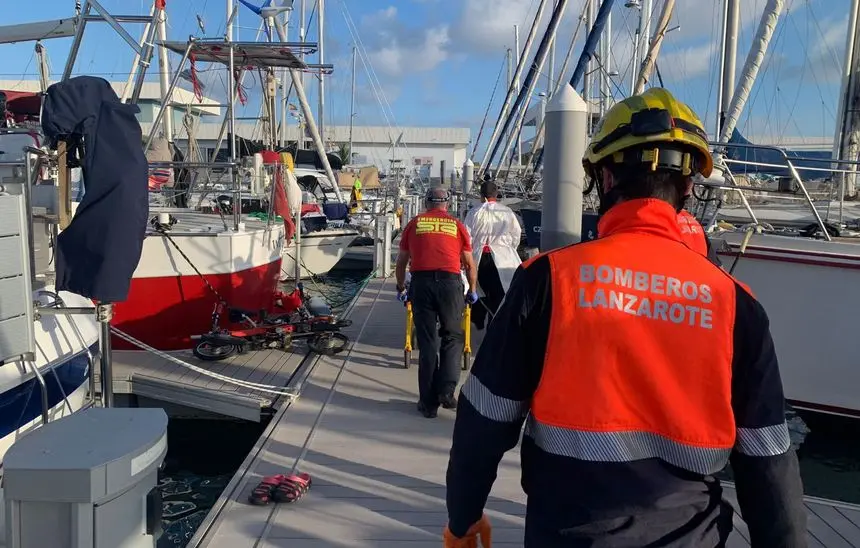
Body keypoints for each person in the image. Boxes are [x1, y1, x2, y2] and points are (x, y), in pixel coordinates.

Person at [443, 88, 806, 547]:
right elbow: (768, 461)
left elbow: (485, 419)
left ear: (606, 177)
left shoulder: (550, 279)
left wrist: (463, 519)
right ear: (690, 186)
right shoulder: (736, 303)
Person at [395, 187, 478, 419]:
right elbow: (470, 264)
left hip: (421, 283)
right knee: (453, 336)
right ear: (447, 204)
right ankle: (447, 391)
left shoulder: (414, 224)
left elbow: (401, 262)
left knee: (428, 342)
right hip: (451, 284)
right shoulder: (457, 226)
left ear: (425, 203)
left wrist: (401, 287)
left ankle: (428, 404)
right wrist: (472, 290)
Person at [463, 180, 522, 329]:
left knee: (479, 291)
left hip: (479, 257)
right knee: (500, 294)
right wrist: (508, 249)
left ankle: (479, 319)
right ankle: (494, 324)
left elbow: (466, 238)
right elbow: (516, 235)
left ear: (482, 196)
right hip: (502, 258)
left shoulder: (474, 212)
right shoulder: (507, 212)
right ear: (496, 195)